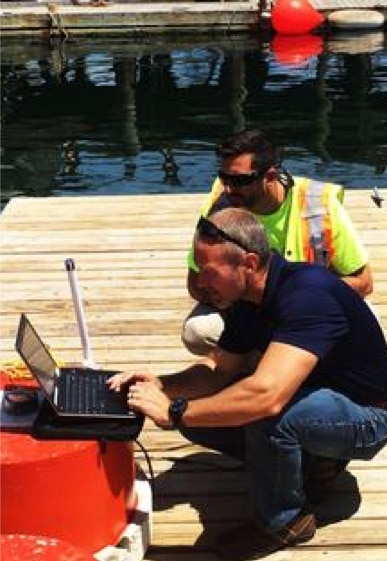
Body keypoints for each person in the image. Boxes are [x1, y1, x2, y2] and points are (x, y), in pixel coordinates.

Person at [108, 208, 387, 560]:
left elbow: (266, 397)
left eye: (207, 272)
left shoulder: (307, 296)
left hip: (369, 417)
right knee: (214, 410)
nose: (199, 283)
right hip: (317, 398)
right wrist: (162, 386)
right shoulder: (247, 299)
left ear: (249, 263)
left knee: (268, 415)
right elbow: (218, 371)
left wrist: (177, 413)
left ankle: (285, 521)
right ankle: (313, 463)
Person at [183, 129, 373, 356]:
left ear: (270, 176)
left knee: (367, 322)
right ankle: (244, 362)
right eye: (224, 178)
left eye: (240, 180)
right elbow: (196, 283)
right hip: (243, 310)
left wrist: (300, 298)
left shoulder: (319, 206)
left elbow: (364, 282)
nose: (229, 188)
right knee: (197, 331)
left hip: (307, 309)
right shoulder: (220, 206)